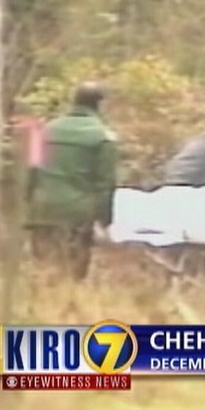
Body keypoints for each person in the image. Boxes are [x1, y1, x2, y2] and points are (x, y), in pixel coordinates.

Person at [25, 81, 118, 280]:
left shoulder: (43, 131)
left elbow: (31, 171)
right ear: (100, 105)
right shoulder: (104, 138)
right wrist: (104, 220)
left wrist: (28, 205)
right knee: (72, 273)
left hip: (42, 208)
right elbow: (105, 185)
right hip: (77, 213)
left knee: (42, 270)